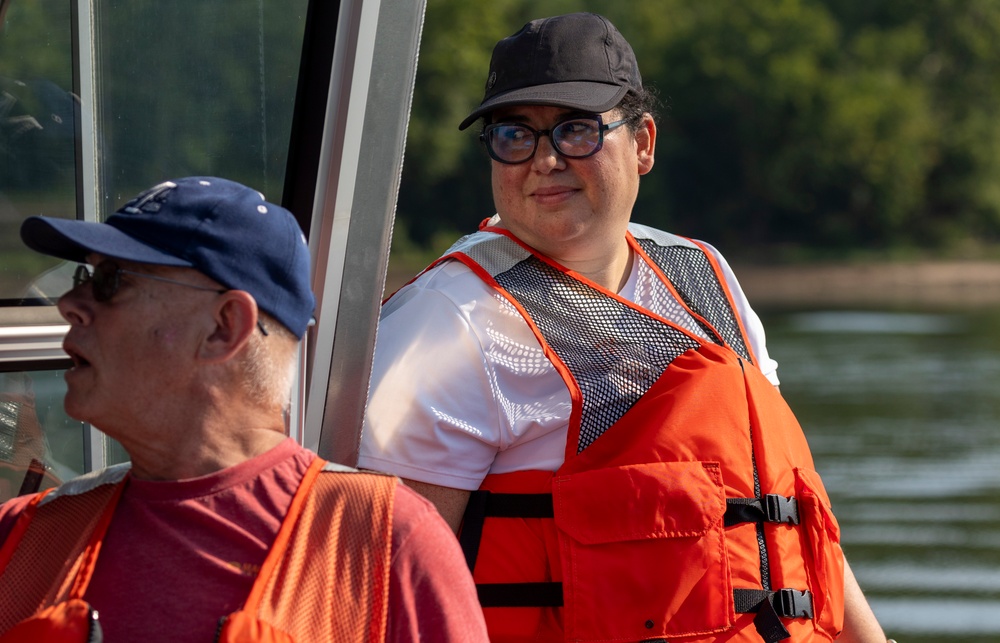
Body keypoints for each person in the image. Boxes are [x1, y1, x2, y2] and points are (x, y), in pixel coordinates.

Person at [359, 12, 890, 643]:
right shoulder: (444, 323)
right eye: (514, 135)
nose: (545, 159)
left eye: (576, 130)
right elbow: (386, 592)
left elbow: (797, 521)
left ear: (643, 145)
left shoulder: (707, 276)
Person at [0, 176, 489, 642]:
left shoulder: (384, 546)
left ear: (224, 326)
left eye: (108, 281)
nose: (71, 303)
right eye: (85, 275)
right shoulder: (20, 536)